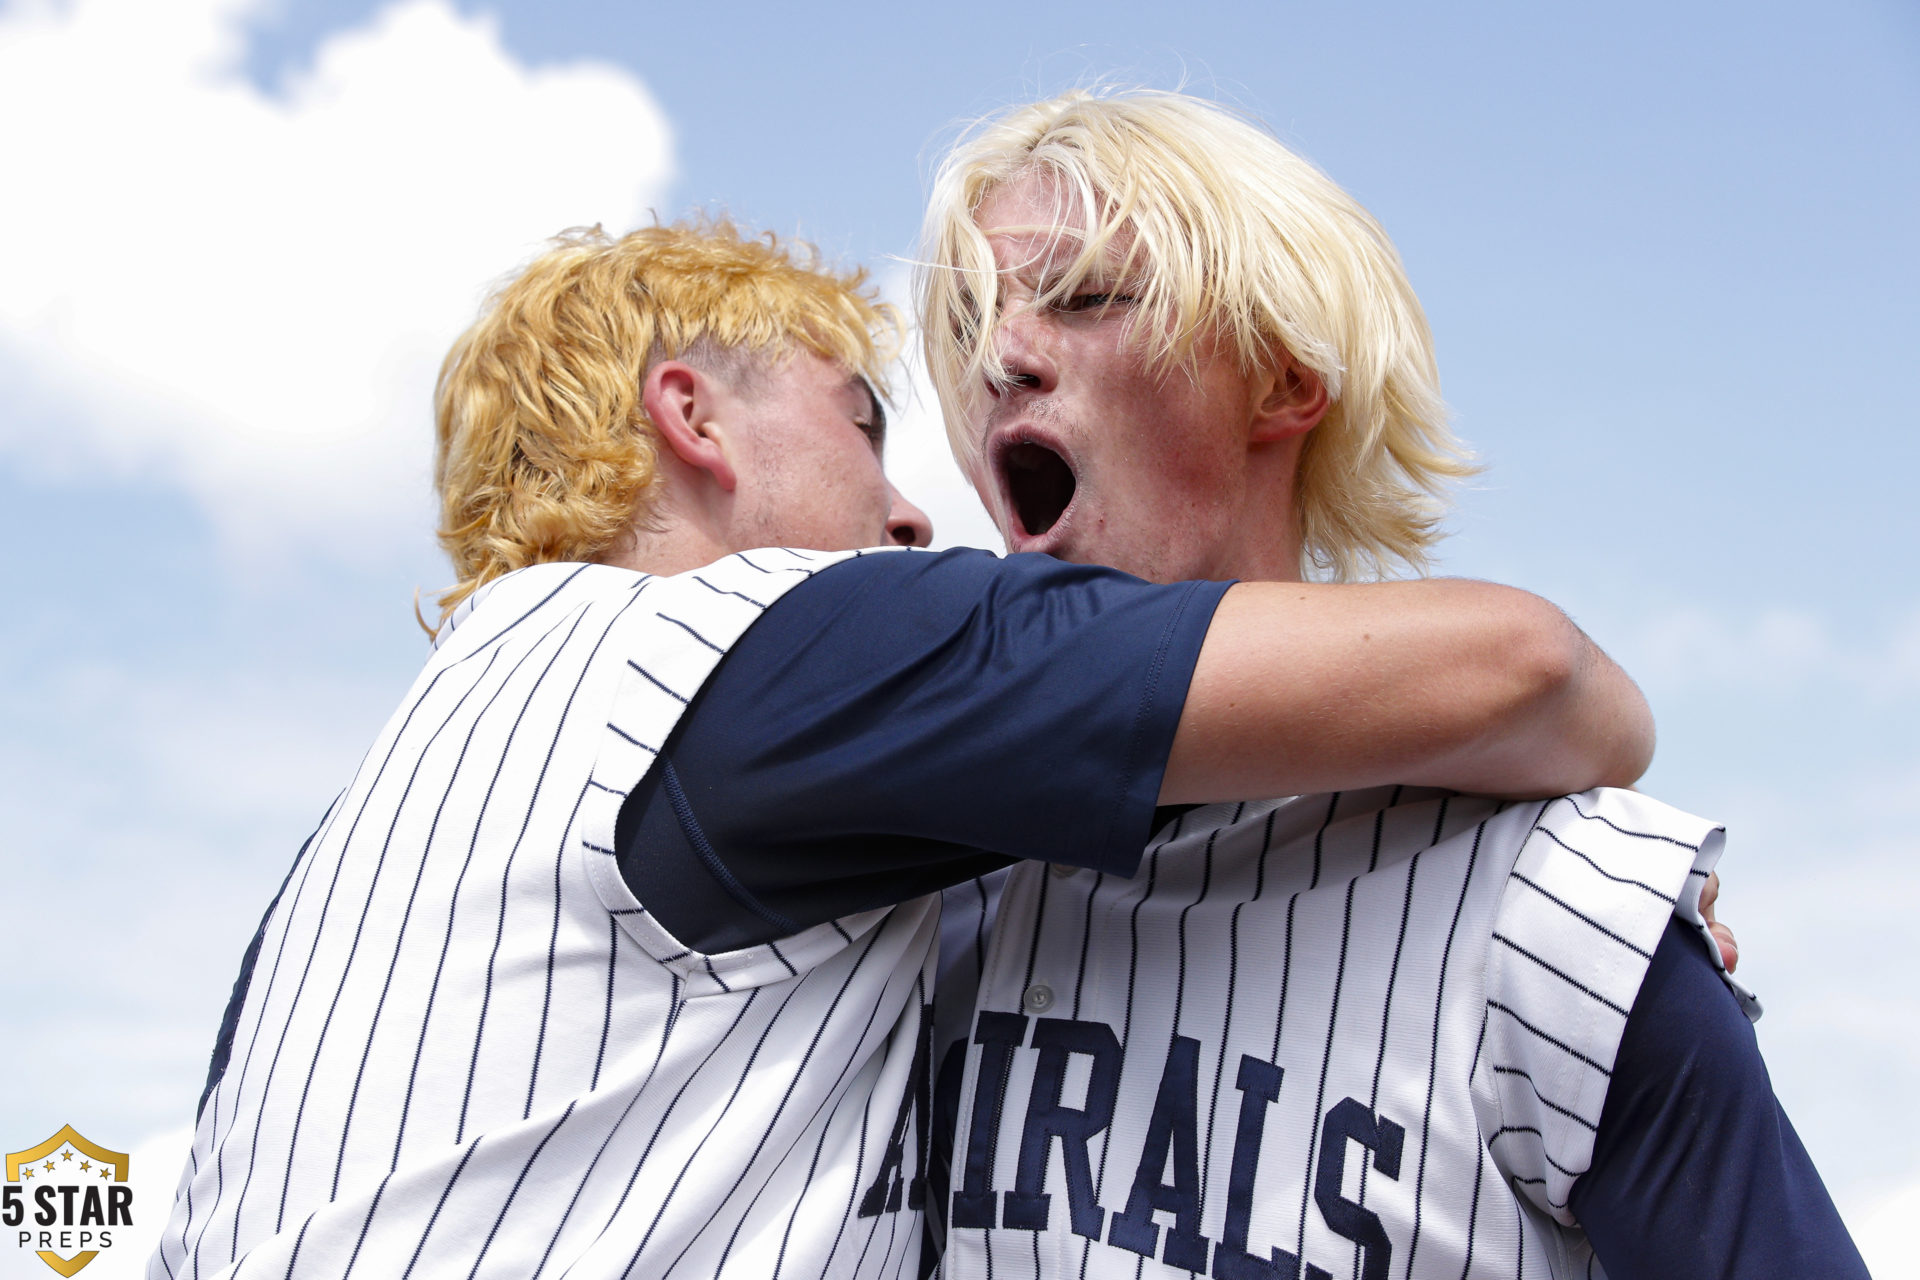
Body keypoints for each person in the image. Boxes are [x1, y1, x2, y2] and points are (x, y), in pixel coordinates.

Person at [148, 219, 1659, 1280]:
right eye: (863, 422)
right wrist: (1602, 840)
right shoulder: (770, 651)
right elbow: (1525, 672)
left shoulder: (398, 802)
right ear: (693, 419)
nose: (914, 510)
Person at [915, 89, 1866, 1280]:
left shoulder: (1564, 913)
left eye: (1090, 295)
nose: (1000, 357)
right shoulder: (892, 893)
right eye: (970, 318)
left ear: (1279, 384)